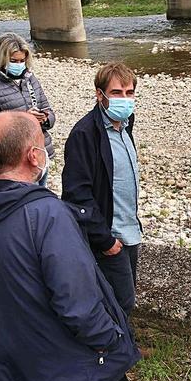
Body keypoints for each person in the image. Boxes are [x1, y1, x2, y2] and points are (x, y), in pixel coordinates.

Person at [0, 111, 140, 381]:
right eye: (42, 144)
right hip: (74, 374)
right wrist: (113, 339)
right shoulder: (47, 213)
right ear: (32, 156)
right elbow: (78, 305)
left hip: (23, 365)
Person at [62, 63, 141, 317]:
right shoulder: (84, 134)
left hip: (130, 230)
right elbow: (76, 194)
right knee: (120, 302)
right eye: (117, 93)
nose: (125, 99)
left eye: (129, 93)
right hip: (109, 235)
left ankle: (118, 345)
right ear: (100, 95)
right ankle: (113, 352)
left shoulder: (125, 124)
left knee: (124, 297)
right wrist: (105, 240)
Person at [0, 32, 55, 187]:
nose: (19, 65)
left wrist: (44, 119)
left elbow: (49, 111)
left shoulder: (31, 80)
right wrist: (25, 119)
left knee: (40, 198)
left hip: (39, 155)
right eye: (14, 61)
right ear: (2, 59)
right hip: (13, 163)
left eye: (22, 61)